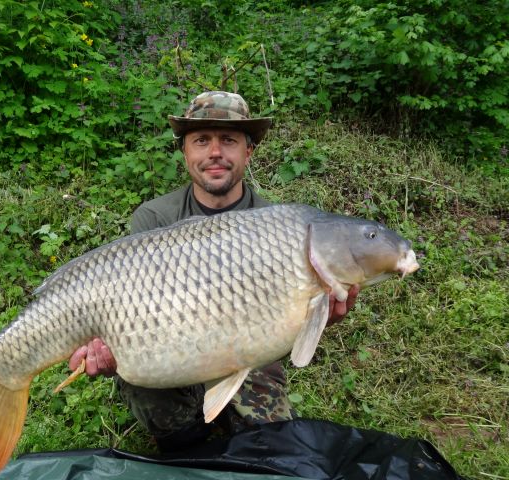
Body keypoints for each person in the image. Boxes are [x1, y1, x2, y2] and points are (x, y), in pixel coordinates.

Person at [68, 91, 360, 451]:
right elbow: (133, 310)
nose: (215, 152)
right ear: (185, 151)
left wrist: (318, 317)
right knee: (144, 387)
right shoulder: (155, 218)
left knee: (271, 443)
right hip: (172, 349)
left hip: (247, 354)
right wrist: (110, 349)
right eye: (202, 140)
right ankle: (184, 441)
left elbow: (285, 324)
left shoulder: (277, 226)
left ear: (248, 150)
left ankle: (242, 428)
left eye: (229, 140)